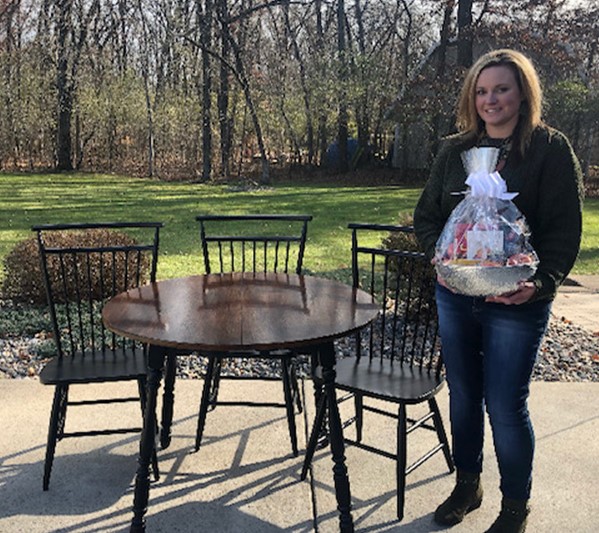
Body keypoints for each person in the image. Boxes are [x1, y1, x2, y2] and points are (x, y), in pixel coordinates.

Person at [414, 49, 583, 533]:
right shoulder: (454, 151)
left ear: (523, 92)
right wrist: (439, 255)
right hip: (456, 292)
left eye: (502, 89)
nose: (491, 99)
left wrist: (539, 285)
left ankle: (515, 507)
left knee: (506, 403)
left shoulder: (549, 149)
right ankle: (468, 484)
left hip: (517, 300)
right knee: (464, 394)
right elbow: (428, 218)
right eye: (482, 91)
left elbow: (563, 231)